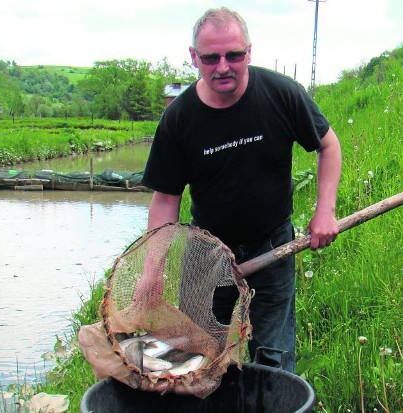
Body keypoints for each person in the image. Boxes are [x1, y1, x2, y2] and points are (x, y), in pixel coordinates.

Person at [140, 7, 342, 372]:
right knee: (196, 356)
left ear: (248, 51)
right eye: (210, 57)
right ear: (193, 58)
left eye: (233, 55)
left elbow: (329, 146)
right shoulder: (179, 118)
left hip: (273, 245)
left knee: (274, 357)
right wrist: (152, 270)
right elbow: (167, 198)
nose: (222, 66)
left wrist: (324, 210)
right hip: (207, 251)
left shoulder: (281, 95)